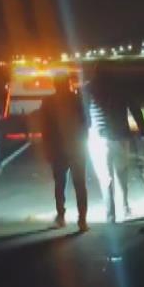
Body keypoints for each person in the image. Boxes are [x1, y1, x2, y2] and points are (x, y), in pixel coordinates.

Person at [88, 76, 144, 223]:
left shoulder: (88, 89)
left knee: (105, 178)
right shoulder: (121, 87)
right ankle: (125, 208)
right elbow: (135, 108)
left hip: (98, 137)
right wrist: (143, 131)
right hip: (121, 136)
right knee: (122, 173)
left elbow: (82, 114)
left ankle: (110, 215)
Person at [41, 74, 90, 232]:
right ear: (69, 84)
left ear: (55, 85)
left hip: (58, 150)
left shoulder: (48, 102)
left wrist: (48, 150)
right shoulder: (77, 100)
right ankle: (82, 220)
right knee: (80, 185)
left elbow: (45, 129)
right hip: (76, 149)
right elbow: (86, 123)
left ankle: (61, 216)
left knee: (60, 184)